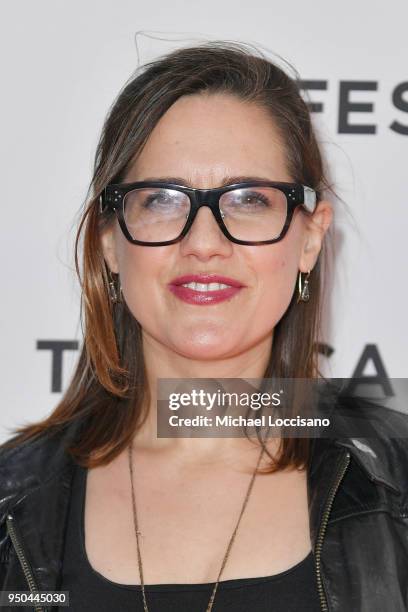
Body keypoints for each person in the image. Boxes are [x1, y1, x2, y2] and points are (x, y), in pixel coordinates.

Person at [1, 40, 408, 612]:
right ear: (111, 242)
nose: (204, 243)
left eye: (248, 199)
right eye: (162, 200)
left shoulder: (396, 483)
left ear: (310, 237)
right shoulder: (11, 503)